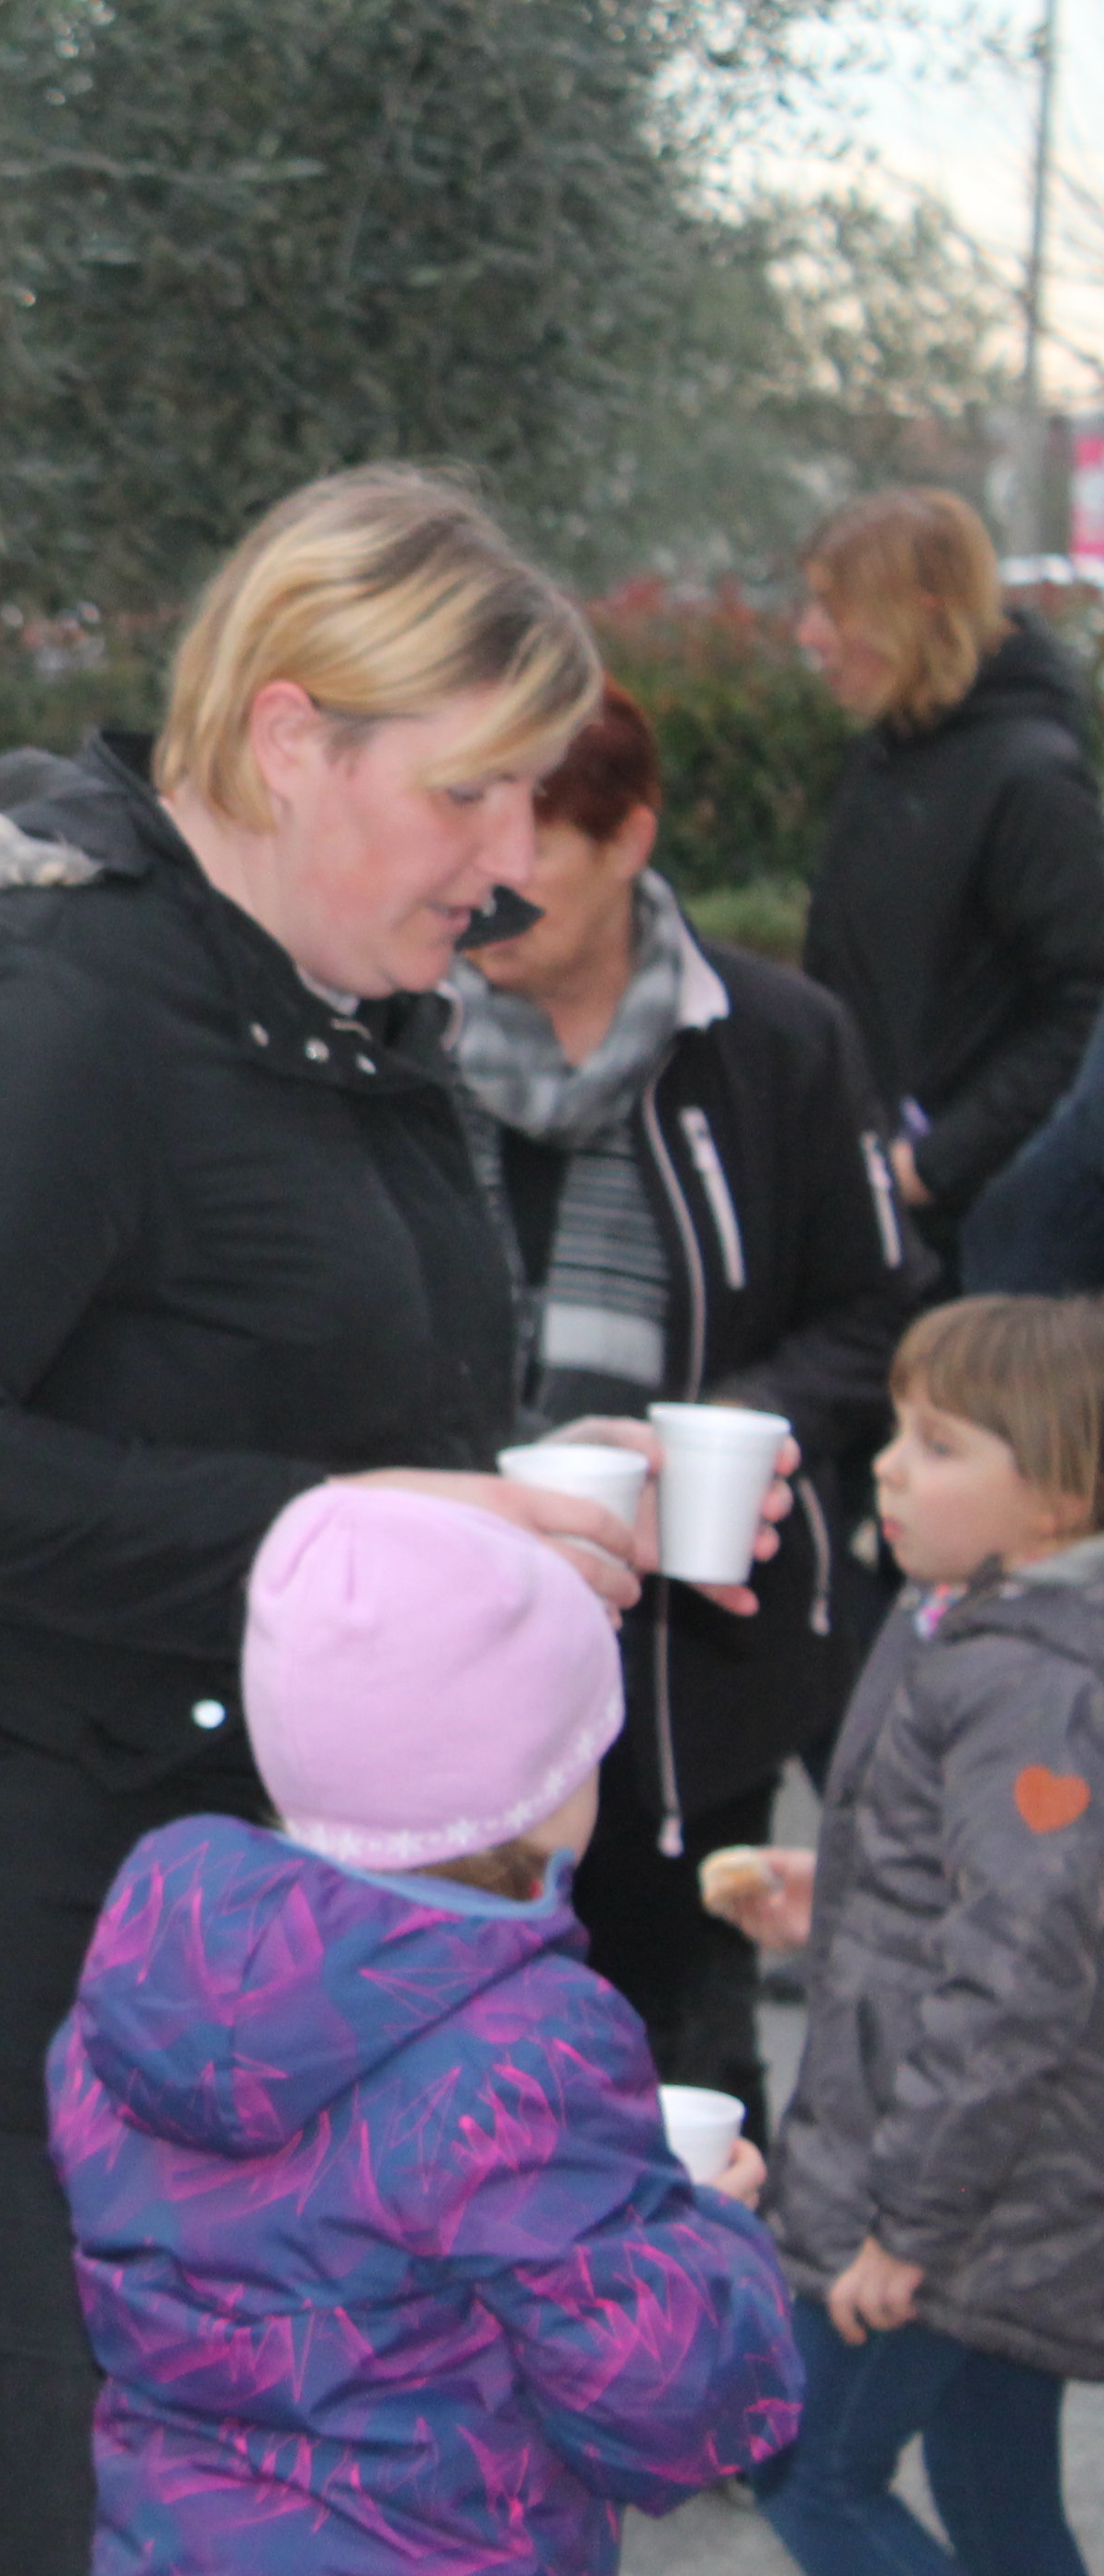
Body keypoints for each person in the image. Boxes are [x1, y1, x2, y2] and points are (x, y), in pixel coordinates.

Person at [0, 465, 790, 2576]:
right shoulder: (36, 1007)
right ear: (289, 736)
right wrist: (334, 1521)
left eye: (531, 798)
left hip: (175, 1928)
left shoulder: (331, 1013)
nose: (509, 859)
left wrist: (538, 1494)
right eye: (468, 792)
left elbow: (277, 1403)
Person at [50, 1484, 798, 2574]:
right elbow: (670, 2409)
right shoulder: (529, 2044)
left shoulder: (146, 1973)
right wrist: (705, 2237)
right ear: (546, 1786)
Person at [446, 680, 920, 2126]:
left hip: (687, 1679)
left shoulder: (774, 1041)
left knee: (682, 2080)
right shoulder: (397, 1034)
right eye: (468, 821)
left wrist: (726, 1425)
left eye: (533, 838)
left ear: (631, 838)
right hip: (446, 1647)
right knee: (456, 2083)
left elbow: (881, 1312)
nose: (486, 875)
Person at [712, 1296, 1104, 2576]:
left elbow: (1017, 1976)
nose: (887, 1466)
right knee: (997, 2494)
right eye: (895, 1431)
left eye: (940, 1444)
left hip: (952, 2192)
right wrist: (839, 1890)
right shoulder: (960, 1613)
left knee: (810, 2474)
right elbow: (992, 1889)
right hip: (986, 2182)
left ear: (1060, 1494)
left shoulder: (1036, 1681)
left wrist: (909, 2228)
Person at [794, 488, 1104, 1268]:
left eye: (836, 610)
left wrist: (935, 1164)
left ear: (920, 612)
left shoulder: (1031, 782)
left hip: (983, 1232)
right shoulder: (883, 759)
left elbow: (1083, 1010)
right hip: (870, 1196)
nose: (810, 636)